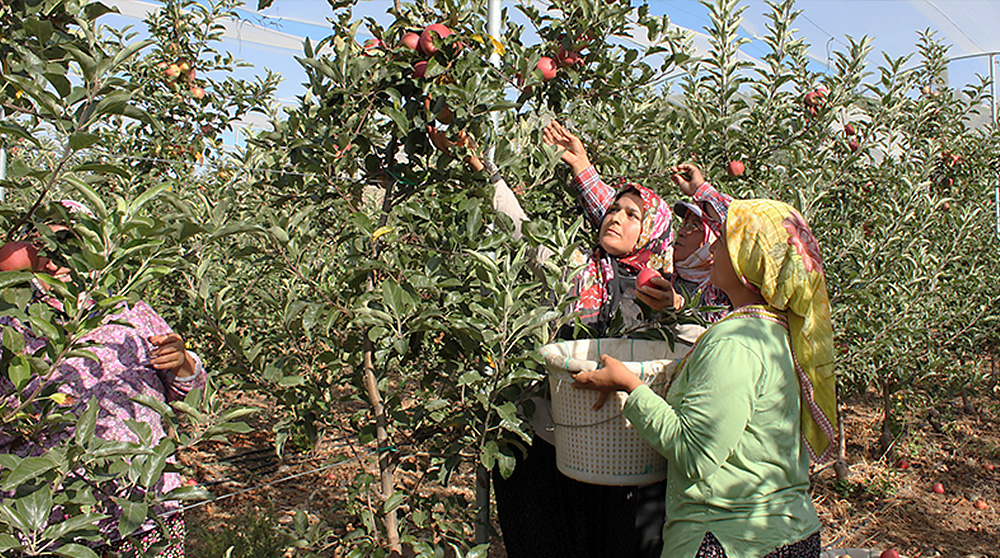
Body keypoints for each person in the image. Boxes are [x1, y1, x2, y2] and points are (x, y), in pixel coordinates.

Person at [429, 122, 678, 558]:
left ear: (652, 231)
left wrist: (672, 307)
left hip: (626, 453)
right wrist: (485, 168)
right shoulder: (576, 267)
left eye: (632, 214)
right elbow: (519, 226)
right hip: (556, 436)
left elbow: (702, 337)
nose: (616, 217)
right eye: (613, 209)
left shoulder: (665, 290)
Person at [571, 198, 838, 558]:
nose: (713, 247)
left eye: (725, 240)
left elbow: (695, 453)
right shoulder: (777, 332)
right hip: (786, 532)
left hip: (727, 540)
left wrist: (629, 386)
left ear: (751, 260)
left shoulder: (736, 343)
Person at [0, 201, 206, 557]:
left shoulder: (130, 311)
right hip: (51, 526)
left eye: (72, 245)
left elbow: (192, 402)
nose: (56, 261)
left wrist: (183, 363)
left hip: (145, 509)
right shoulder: (12, 324)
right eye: (45, 247)